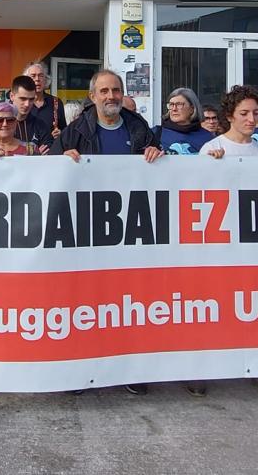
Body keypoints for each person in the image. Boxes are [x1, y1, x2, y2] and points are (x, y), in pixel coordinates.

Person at [54, 68, 161, 396]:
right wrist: (63, 158)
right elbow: (49, 171)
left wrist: (157, 155)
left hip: (128, 231)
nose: (111, 96)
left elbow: (161, 173)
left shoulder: (139, 128)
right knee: (85, 303)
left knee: (126, 301)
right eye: (104, 91)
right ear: (92, 96)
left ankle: (129, 368)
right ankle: (81, 368)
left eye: (116, 90)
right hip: (87, 232)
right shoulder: (75, 131)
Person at [199, 85, 258, 401]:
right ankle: (203, 368)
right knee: (217, 307)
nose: (252, 119)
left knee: (257, 308)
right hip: (222, 245)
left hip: (255, 245)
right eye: (244, 113)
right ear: (229, 116)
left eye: (256, 112)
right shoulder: (211, 148)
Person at [153, 88, 214, 155]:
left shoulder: (207, 137)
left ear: (192, 109)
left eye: (179, 104)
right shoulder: (156, 133)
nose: (174, 109)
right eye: (171, 105)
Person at [24, 61, 68, 143]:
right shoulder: (22, 103)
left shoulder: (56, 102)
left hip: (51, 152)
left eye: (41, 76)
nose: (37, 79)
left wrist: (61, 134)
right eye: (33, 76)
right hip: (27, 153)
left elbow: (65, 130)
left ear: (46, 79)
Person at [8, 75, 54, 153]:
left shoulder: (40, 125)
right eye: (23, 99)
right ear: (12, 96)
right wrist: (33, 152)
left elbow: (49, 153)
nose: (27, 104)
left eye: (31, 99)